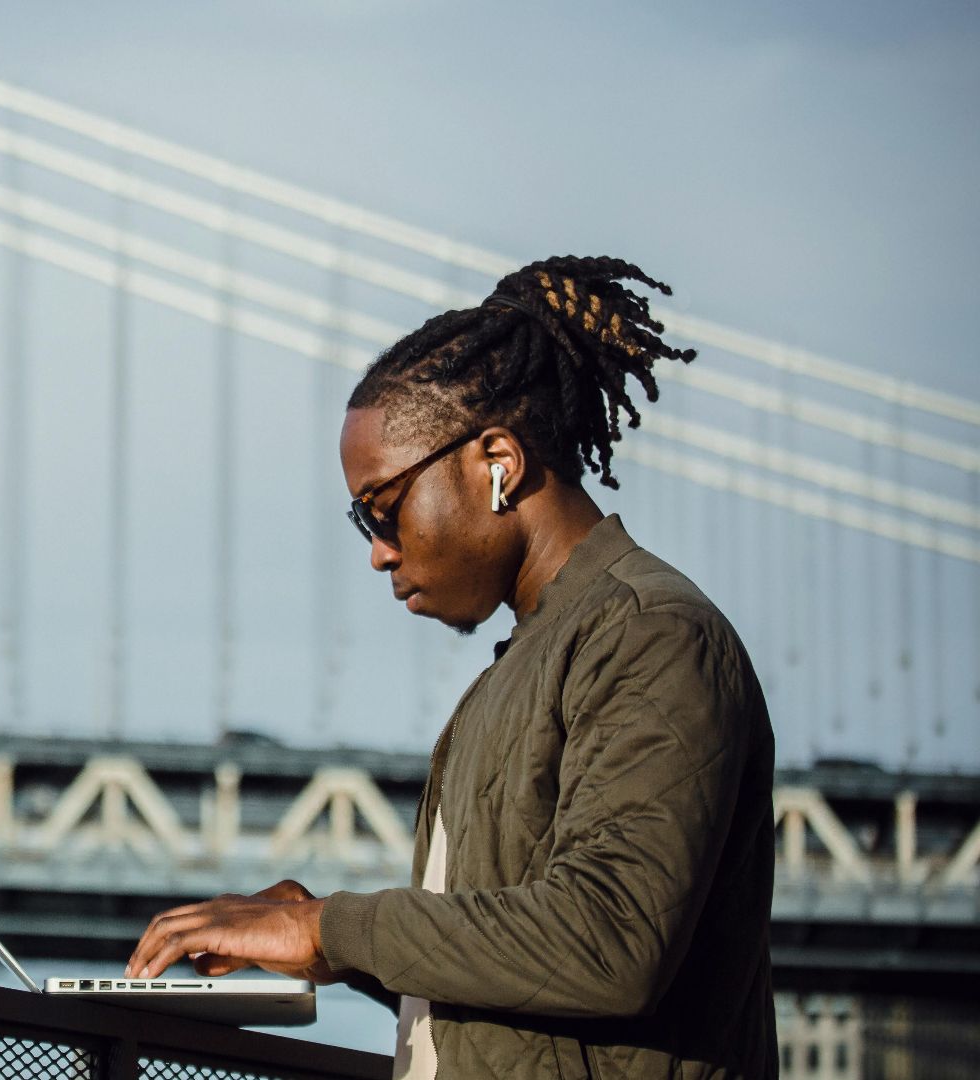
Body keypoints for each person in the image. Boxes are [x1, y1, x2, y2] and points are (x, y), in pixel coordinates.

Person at [126, 256, 779, 1078]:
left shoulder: (652, 637)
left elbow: (608, 941)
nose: (378, 552)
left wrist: (331, 927)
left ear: (498, 461)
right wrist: (337, 950)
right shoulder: (529, 662)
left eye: (383, 508)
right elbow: (526, 994)